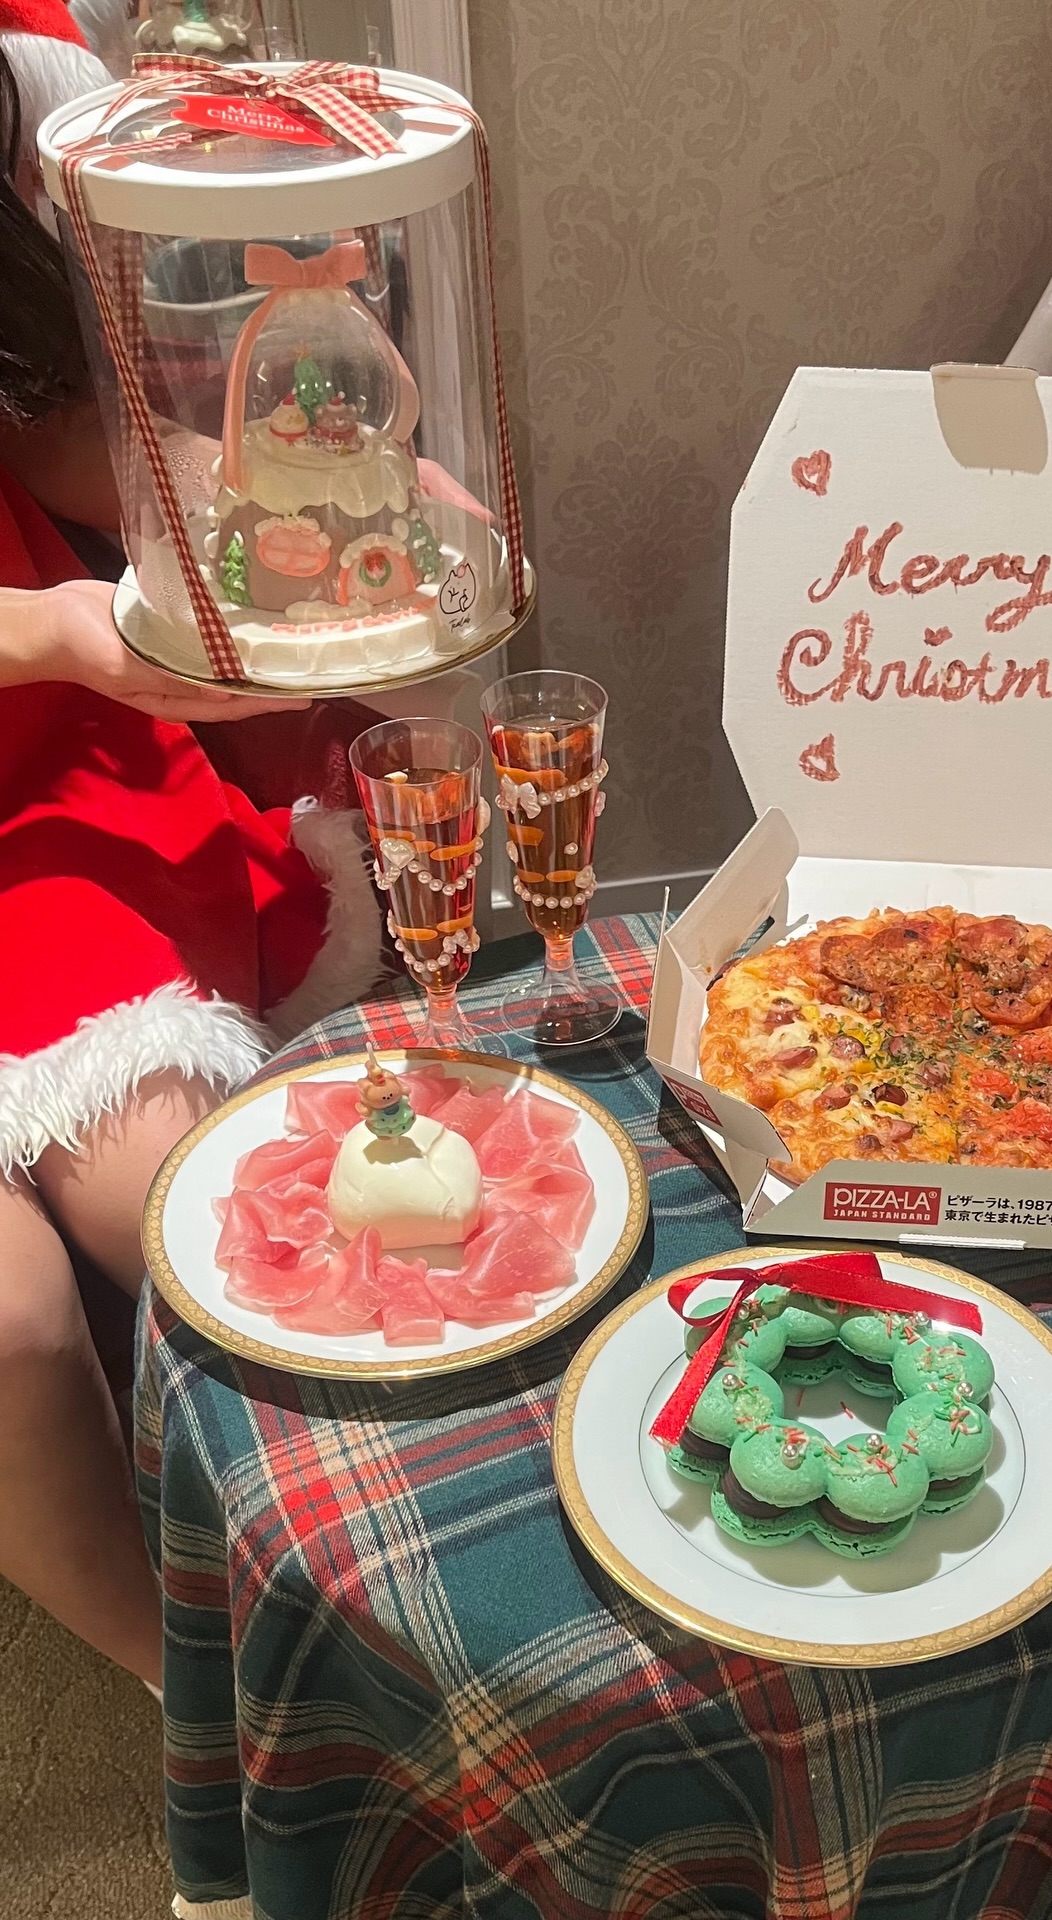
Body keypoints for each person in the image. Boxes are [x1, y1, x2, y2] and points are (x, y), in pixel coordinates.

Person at [0, 0, 379, 1688]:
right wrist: (52, 630)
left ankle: (363, 1570)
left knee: (179, 1181)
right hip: (36, 669)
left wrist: (298, 493)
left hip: (36, 773)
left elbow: (54, 428)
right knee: (10, 1323)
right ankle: (187, 1694)